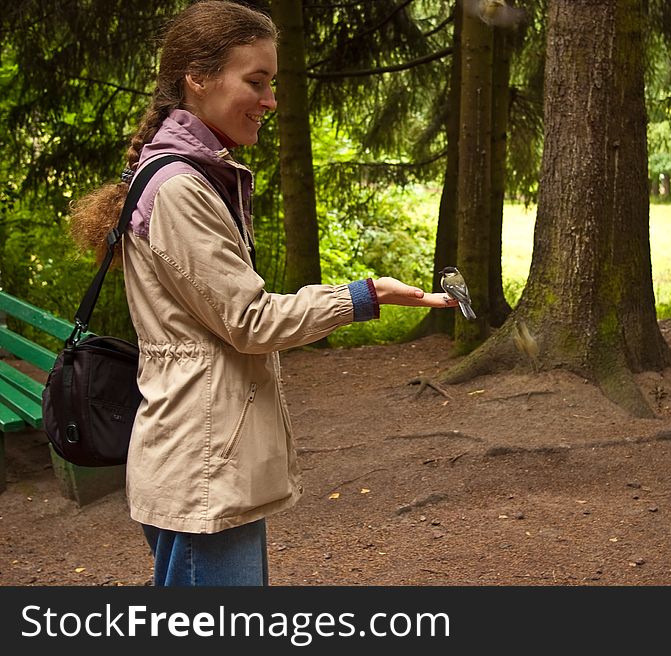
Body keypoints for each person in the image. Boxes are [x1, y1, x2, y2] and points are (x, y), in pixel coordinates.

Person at [69, 0, 456, 586]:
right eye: (256, 81)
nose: (271, 100)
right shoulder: (180, 190)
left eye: (272, 83)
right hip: (202, 464)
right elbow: (249, 320)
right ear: (197, 80)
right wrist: (361, 296)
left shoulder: (187, 176)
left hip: (201, 456)